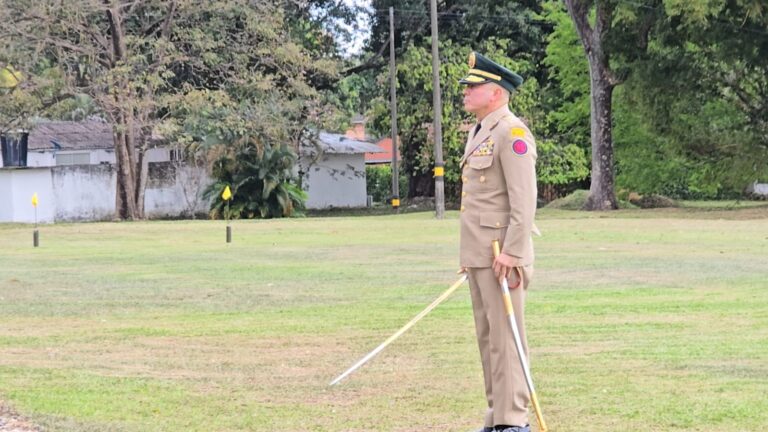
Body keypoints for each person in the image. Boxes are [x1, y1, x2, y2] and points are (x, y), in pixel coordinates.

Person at [457, 51, 538, 432]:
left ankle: (513, 420)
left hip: (501, 254)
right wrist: (470, 255)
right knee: (488, 337)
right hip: (480, 253)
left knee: (507, 338)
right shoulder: (479, 130)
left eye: (474, 87)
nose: (466, 93)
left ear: (496, 92)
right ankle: (496, 416)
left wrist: (513, 252)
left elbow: (524, 201)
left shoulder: (512, 132)